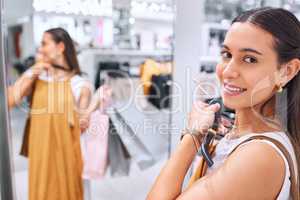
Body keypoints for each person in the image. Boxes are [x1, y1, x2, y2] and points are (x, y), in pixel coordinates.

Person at [147, 7, 300, 199]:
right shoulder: (240, 138)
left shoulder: (258, 156)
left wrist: (192, 136)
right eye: (227, 54)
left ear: (287, 71)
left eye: (250, 59)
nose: (227, 71)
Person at [9, 27, 92, 200]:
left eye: (44, 44)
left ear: (60, 47)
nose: (40, 49)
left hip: (66, 163)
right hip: (41, 159)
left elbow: (82, 128)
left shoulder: (80, 84)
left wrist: (87, 115)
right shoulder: (37, 79)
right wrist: (36, 68)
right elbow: (9, 100)